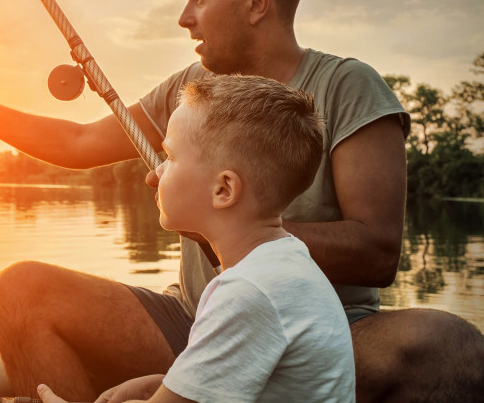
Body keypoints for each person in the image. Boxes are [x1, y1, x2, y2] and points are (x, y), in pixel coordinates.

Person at [0, 0, 484, 402]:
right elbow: (76, 145)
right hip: (193, 316)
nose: (184, 17)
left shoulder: (347, 85)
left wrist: (230, 228)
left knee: (445, 342)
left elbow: (377, 251)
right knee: (20, 291)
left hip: (319, 327)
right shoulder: (192, 87)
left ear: (256, 2)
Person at [38, 74, 356, 403]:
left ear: (223, 190)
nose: (155, 172)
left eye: (171, 158)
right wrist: (161, 386)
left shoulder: (248, 292)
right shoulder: (286, 264)